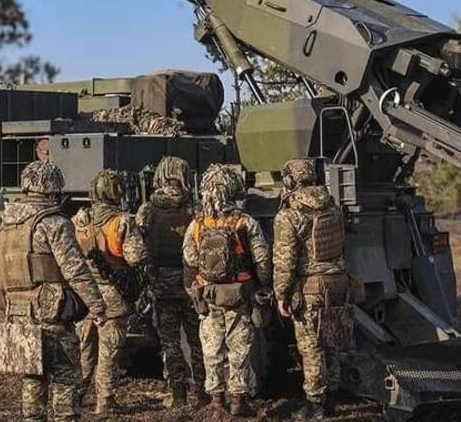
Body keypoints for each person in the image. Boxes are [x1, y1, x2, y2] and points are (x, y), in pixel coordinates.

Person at [0, 160, 107, 422]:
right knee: (66, 377)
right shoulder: (54, 223)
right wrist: (97, 306)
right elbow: (75, 269)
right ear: (53, 189)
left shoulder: (6, 226)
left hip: (17, 311)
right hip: (51, 314)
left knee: (32, 376)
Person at [182, 163, 272, 418]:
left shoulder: (197, 225)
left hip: (208, 296)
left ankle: (216, 401)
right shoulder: (245, 222)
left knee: (211, 348)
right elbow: (262, 260)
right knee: (239, 348)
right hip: (239, 295)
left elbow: (189, 259)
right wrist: (262, 283)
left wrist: (196, 287)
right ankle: (238, 401)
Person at [273, 158, 353, 414]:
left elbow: (285, 261)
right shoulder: (334, 209)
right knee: (332, 342)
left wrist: (281, 294)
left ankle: (315, 406)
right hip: (338, 283)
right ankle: (331, 399)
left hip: (311, 287)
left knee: (312, 348)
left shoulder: (289, 215)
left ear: (289, 181)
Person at [71, 169, 148, 414]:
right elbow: (136, 257)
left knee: (84, 347)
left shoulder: (80, 220)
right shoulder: (122, 222)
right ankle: (105, 400)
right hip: (113, 296)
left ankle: (75, 395)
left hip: (84, 294)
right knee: (109, 352)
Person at [135, 156, 207, 409]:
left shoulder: (148, 209)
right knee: (197, 341)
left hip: (162, 285)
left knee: (170, 343)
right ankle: (203, 393)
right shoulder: (195, 207)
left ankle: (178, 395)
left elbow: (139, 246)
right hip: (192, 283)